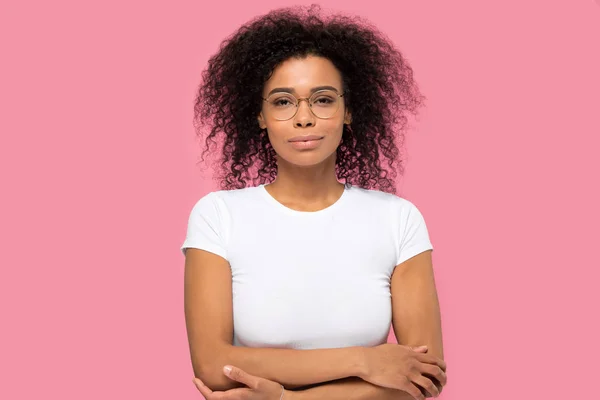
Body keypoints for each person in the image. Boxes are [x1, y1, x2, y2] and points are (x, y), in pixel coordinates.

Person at [181, 5, 447, 400]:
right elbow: (213, 365)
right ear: (259, 115)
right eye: (283, 101)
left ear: (349, 110)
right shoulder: (218, 216)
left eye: (322, 100)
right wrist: (366, 361)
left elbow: (425, 378)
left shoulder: (397, 219)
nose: (304, 118)